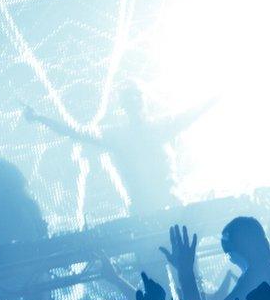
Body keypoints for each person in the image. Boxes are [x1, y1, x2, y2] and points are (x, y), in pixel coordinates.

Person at [23, 82, 215, 215]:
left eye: (136, 96)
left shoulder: (158, 127)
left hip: (169, 206)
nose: (134, 101)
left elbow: (193, 113)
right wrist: (41, 118)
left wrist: (218, 95)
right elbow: (75, 132)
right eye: (129, 98)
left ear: (144, 100)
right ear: (124, 105)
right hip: (145, 210)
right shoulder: (119, 136)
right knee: (157, 268)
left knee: (183, 266)